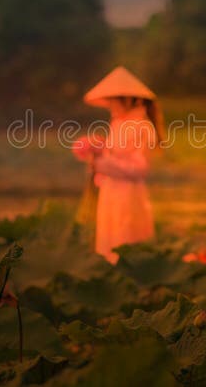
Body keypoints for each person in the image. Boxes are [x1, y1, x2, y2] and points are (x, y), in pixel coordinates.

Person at [72, 66, 165, 263]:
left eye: (114, 100)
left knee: (127, 242)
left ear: (130, 99)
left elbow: (139, 168)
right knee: (109, 241)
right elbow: (113, 156)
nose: (110, 105)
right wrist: (96, 154)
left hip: (129, 194)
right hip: (110, 191)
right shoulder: (117, 124)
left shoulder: (142, 126)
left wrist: (102, 162)